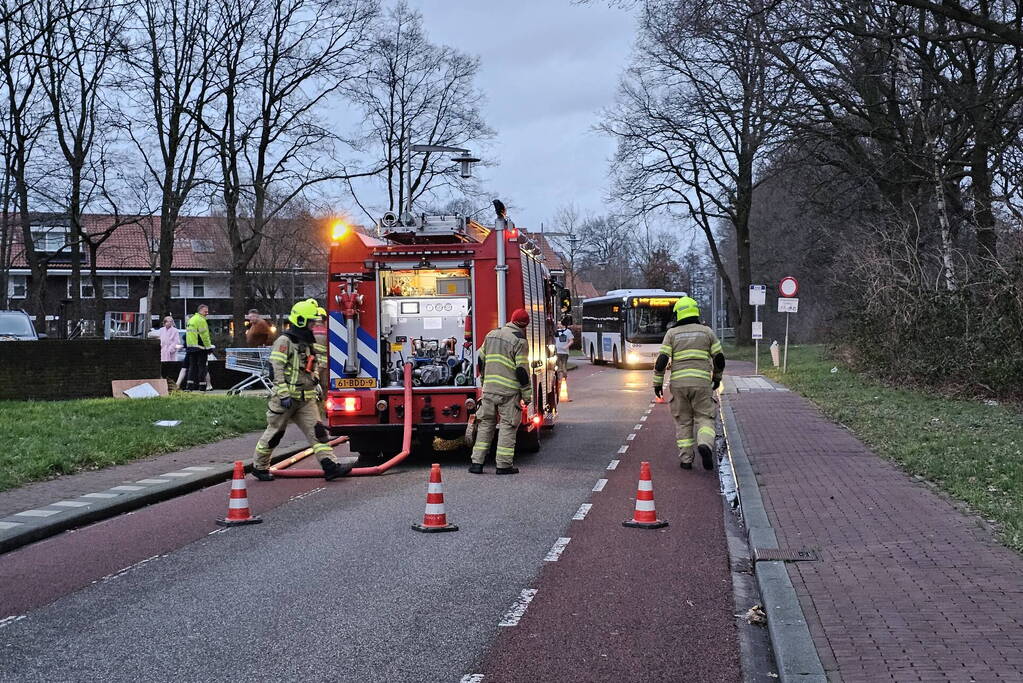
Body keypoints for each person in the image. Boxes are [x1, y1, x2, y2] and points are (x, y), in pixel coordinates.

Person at [250, 299, 350, 482]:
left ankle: (330, 466)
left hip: (305, 399)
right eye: (311, 321)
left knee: (318, 433)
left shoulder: (307, 342)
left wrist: (316, 383)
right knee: (274, 433)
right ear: (302, 321)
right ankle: (259, 466)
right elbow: (276, 368)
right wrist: (283, 393)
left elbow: (311, 366)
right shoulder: (284, 341)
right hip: (286, 400)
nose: (314, 325)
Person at [652, 297, 725, 470]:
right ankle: (705, 445)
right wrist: (717, 378)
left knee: (683, 421)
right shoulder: (707, 332)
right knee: (705, 417)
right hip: (701, 383)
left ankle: (686, 460)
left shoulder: (672, 333)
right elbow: (719, 359)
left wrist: (657, 384)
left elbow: (661, 361)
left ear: (678, 313)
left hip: (679, 385)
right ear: (696, 312)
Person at [469, 308, 532, 475]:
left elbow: (481, 359)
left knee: (485, 425)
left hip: (489, 390)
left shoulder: (491, 334)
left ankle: (477, 463)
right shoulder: (520, 341)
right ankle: (503, 465)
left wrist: (484, 383)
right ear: (525, 325)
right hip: (508, 393)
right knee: (507, 426)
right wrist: (526, 395)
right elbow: (521, 370)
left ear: (511, 319)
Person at [184, 304, 214, 391]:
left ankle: (189, 386)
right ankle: (202, 386)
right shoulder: (201, 320)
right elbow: (205, 336)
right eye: (205, 311)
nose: (207, 313)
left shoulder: (191, 319)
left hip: (191, 348)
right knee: (202, 367)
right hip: (200, 348)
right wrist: (209, 348)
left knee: (192, 367)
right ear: (200, 310)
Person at [151, 316, 183, 383]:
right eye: (168, 321)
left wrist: (171, 349)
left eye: (171, 321)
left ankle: (171, 381)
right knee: (163, 367)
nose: (170, 323)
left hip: (171, 353)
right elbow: (155, 336)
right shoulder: (161, 330)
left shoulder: (175, 331)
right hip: (163, 352)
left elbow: (177, 342)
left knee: (171, 368)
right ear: (165, 322)